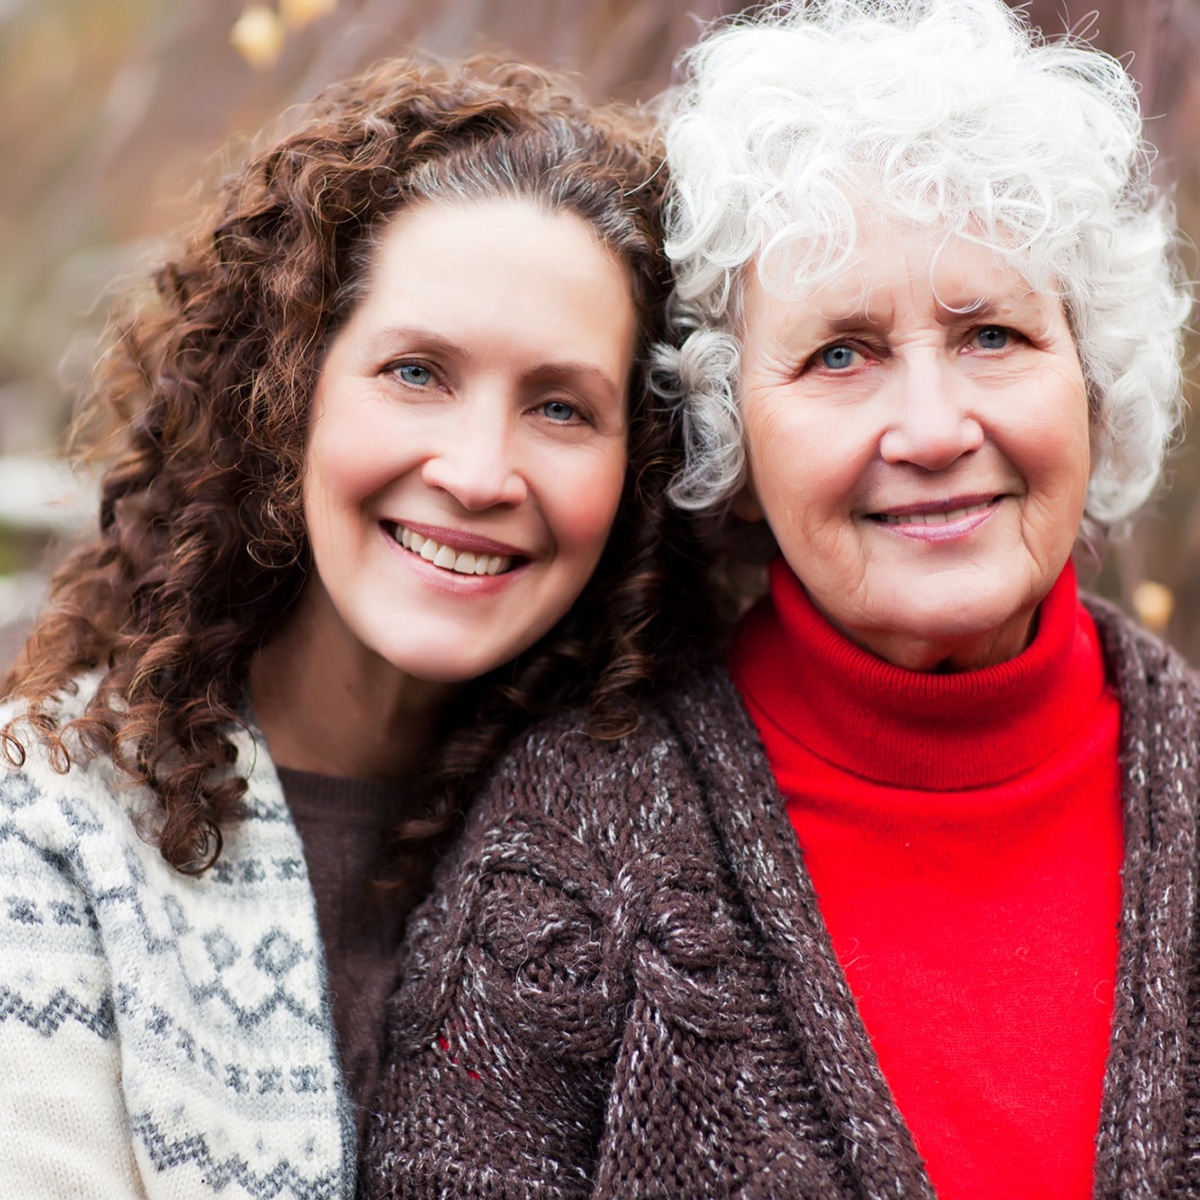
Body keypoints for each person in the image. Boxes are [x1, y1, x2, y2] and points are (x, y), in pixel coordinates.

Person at [362, 2, 1199, 1197]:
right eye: (839, 355)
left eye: (995, 335)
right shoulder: (565, 857)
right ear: (727, 442)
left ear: (1095, 386)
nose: (929, 429)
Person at [0, 52, 709, 1200]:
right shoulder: (51, 838)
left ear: (642, 467)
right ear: (286, 395)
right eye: (417, 372)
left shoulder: (676, 850)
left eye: (562, 406)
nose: (480, 473)